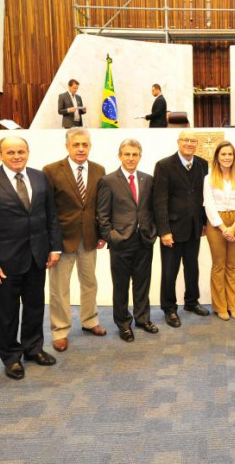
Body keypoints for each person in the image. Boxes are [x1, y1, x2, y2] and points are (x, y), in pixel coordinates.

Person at [0, 136, 62, 380]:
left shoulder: (40, 177)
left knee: (35, 306)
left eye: (21, 151)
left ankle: (33, 348)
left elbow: (51, 215)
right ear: (0, 154)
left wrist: (55, 247)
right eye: (10, 152)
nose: (16, 156)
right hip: (4, 261)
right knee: (7, 312)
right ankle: (11, 356)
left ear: (28, 152)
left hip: (37, 256)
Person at [42, 128, 107, 352]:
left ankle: (90, 320)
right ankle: (60, 330)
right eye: (76, 145)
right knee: (59, 287)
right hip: (61, 240)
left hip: (89, 237)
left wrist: (102, 234)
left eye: (84, 145)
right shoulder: (51, 170)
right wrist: (51, 242)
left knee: (90, 283)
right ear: (67, 146)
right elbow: (47, 209)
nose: (81, 149)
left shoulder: (99, 170)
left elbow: (100, 206)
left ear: (90, 147)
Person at [97, 139, 159, 342]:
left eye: (135, 154)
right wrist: (111, 236)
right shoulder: (108, 180)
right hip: (120, 242)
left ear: (140, 157)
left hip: (144, 240)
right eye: (127, 154)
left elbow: (152, 208)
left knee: (142, 283)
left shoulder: (147, 179)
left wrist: (153, 231)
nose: (131, 158)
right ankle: (123, 324)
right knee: (121, 286)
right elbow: (102, 214)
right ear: (120, 156)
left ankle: (142, 319)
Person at [153, 130, 211, 328]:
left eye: (193, 141)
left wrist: (204, 223)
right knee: (170, 271)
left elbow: (204, 196)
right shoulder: (164, 165)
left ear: (197, 144)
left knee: (192, 268)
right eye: (186, 140)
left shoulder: (202, 164)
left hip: (195, 227)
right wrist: (164, 231)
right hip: (172, 229)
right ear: (178, 142)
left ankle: (191, 301)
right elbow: (159, 200)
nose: (189, 144)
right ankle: (169, 308)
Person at [203, 141, 235, 321]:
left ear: (234, 157)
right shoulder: (209, 178)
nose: (227, 157)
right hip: (216, 224)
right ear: (217, 157)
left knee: (232, 265)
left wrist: (234, 226)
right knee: (218, 266)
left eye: (230, 154)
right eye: (223, 154)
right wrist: (223, 228)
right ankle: (220, 306)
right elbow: (209, 205)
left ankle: (233, 305)